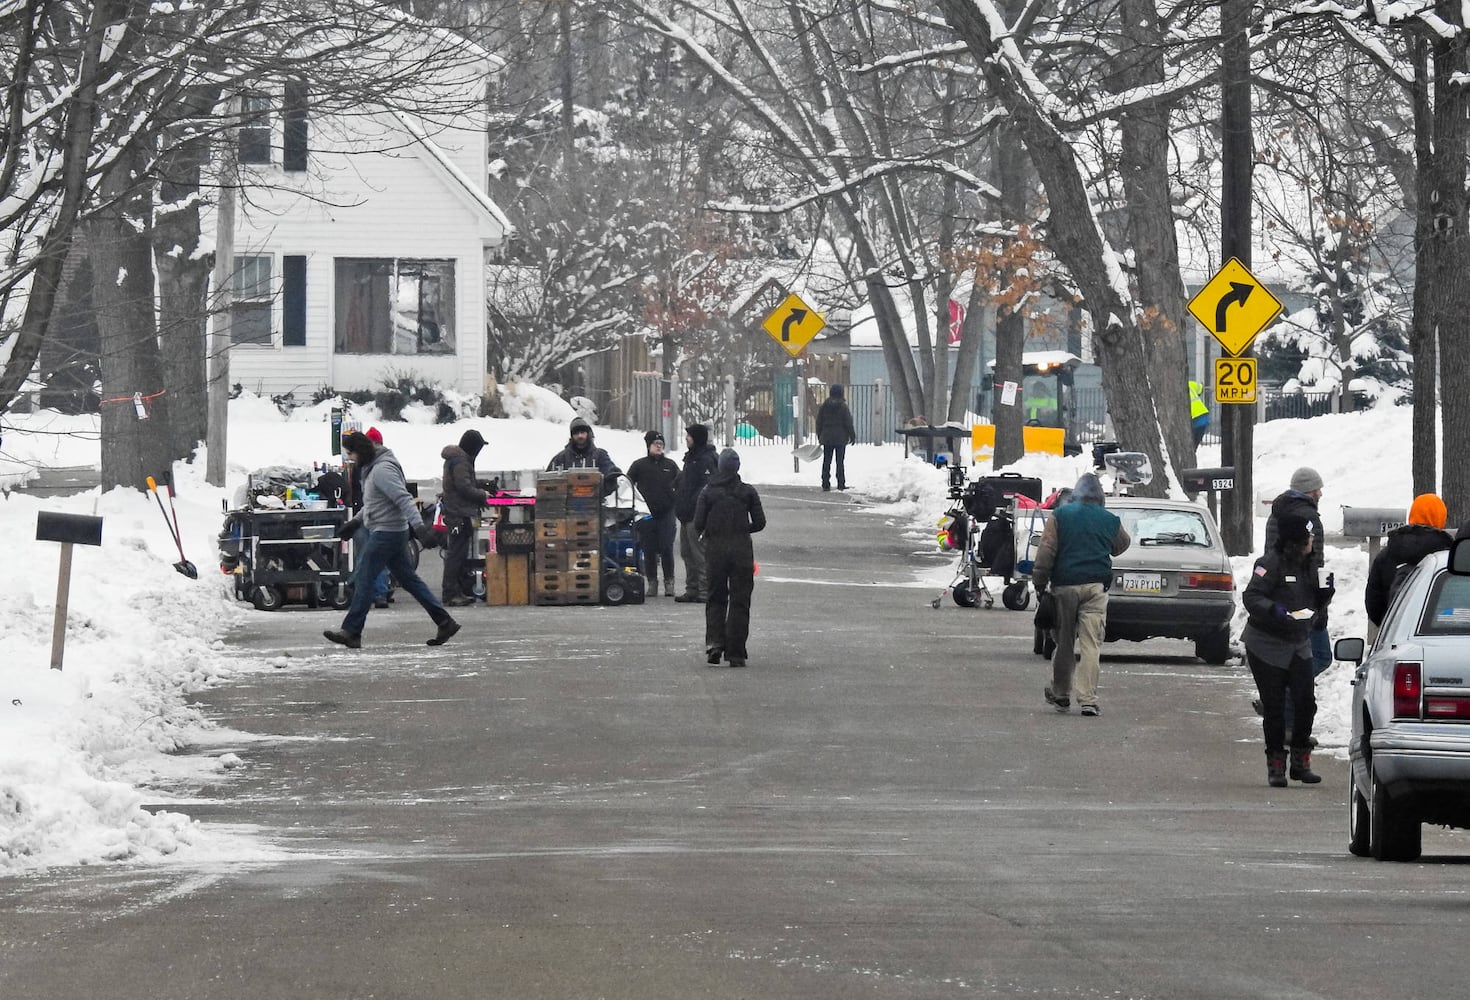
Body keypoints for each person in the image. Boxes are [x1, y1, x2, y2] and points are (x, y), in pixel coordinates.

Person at [325, 431, 460, 649]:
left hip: (387, 533)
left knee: (365, 576)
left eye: (351, 454)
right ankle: (445, 621)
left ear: (362, 451)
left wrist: (420, 529)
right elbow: (374, 503)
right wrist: (356, 523)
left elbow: (404, 499)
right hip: (390, 531)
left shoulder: (382, 470)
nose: (350, 458)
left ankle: (351, 631)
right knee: (409, 580)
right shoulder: (374, 468)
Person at [1242, 513, 1333, 787]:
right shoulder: (1268, 564)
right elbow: (1252, 596)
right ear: (1296, 539)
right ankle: (1276, 765)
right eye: (1309, 536)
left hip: (1298, 642)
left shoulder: (1311, 565)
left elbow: (1316, 599)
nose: (1312, 540)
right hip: (1266, 644)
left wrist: (1324, 597)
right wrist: (1274, 610)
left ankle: (1300, 762)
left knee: (1306, 703)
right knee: (1275, 706)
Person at [1031, 472, 1131, 717]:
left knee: (1064, 642)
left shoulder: (1060, 516)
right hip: (1096, 588)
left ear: (1076, 494)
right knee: (1091, 644)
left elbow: (1047, 550)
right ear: (1100, 497)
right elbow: (1121, 545)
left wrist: (1040, 581)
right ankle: (1088, 699)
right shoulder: (1109, 519)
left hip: (1064, 587)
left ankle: (1061, 694)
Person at [1262, 467, 1331, 735]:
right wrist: (1321, 605)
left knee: (1292, 655)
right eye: (1318, 488)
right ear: (1309, 491)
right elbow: (1316, 564)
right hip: (1304, 597)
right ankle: (1282, 704)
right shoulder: (1310, 518)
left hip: (1278, 594)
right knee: (1320, 656)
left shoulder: (1276, 513)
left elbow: (1270, 555)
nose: (1321, 493)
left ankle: (1282, 711)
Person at [694, 448, 766, 668]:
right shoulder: (747, 492)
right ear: (737, 468)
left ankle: (715, 644)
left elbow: (698, 523)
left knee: (716, 597)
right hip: (741, 551)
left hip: (715, 550)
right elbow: (760, 522)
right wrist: (743, 528)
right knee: (740, 601)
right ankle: (736, 652)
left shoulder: (708, 492)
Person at [1365, 493, 1452, 626]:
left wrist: (1389, 627)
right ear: (1440, 517)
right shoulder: (1446, 555)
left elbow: (1373, 602)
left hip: (1396, 631)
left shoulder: (1387, 554)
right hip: (1439, 630)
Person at [440, 428, 489, 607]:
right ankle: (450, 593)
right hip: (459, 513)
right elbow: (464, 487)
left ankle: (456, 591)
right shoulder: (461, 461)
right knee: (456, 554)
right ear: (472, 447)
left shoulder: (458, 459)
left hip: (457, 512)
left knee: (457, 553)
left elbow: (464, 484)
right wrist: (482, 494)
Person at [627, 429, 680, 596]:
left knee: (666, 547)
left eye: (661, 444)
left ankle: (669, 582)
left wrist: (675, 498)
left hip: (666, 512)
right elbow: (627, 484)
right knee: (648, 549)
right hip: (646, 514)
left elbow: (681, 483)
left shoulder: (670, 465)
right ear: (648, 446)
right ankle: (652, 582)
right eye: (656, 444)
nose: (659, 447)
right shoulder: (639, 465)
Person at [673, 423, 719, 603]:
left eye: (689, 436)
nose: (686, 439)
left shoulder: (706, 459)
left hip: (697, 516)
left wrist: (695, 504)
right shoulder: (691, 458)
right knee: (687, 553)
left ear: (697, 438)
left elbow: (707, 487)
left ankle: (704, 590)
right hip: (686, 514)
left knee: (700, 555)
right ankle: (692, 589)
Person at [546, 416, 621, 494]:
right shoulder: (561, 457)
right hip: (567, 503)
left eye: (582, 432)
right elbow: (547, 479)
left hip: (596, 502)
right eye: (576, 433)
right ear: (571, 436)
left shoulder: (600, 455)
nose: (580, 436)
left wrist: (611, 473)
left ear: (588, 434)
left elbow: (608, 468)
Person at [815, 383, 857, 492]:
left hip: (827, 437)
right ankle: (841, 483)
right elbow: (848, 422)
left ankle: (825, 483)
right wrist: (852, 435)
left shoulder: (824, 405)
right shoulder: (843, 406)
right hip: (840, 437)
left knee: (827, 461)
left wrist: (820, 435)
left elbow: (819, 421)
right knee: (840, 461)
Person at [1188, 380, 1210, 446]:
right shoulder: (1190, 384)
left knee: (1192, 444)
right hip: (1203, 415)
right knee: (1195, 443)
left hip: (1194, 418)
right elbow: (1200, 388)